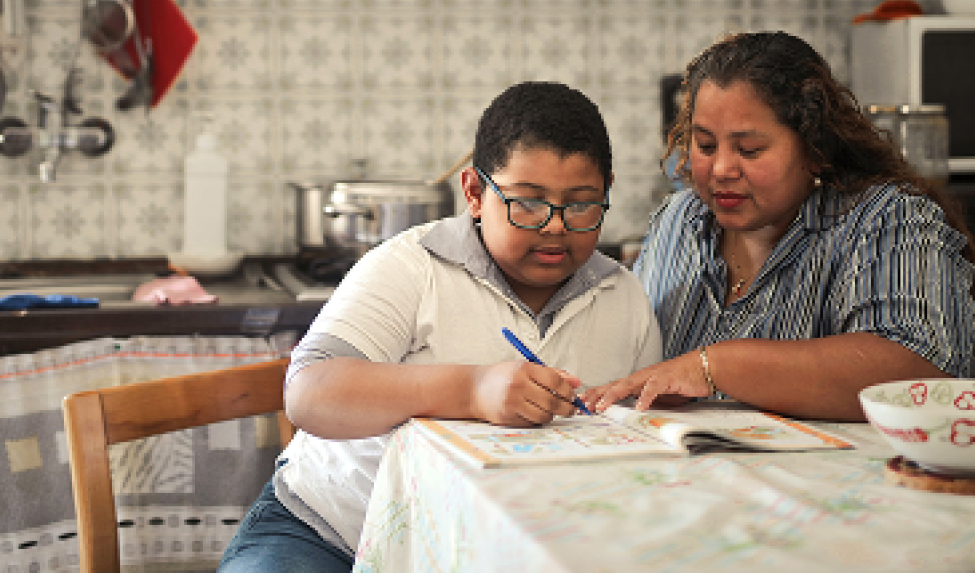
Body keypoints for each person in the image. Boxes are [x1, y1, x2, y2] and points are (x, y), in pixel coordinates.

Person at [218, 81, 662, 572]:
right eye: (528, 203)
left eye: (581, 204)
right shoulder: (412, 266)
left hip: (501, 550)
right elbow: (310, 393)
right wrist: (473, 389)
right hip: (330, 535)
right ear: (474, 192)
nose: (555, 225)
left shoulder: (623, 297)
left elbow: (642, 442)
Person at [583, 31, 975, 423]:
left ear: (815, 149)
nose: (721, 169)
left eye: (749, 150)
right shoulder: (678, 220)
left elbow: (918, 374)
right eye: (704, 145)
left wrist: (714, 366)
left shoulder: (888, 220)